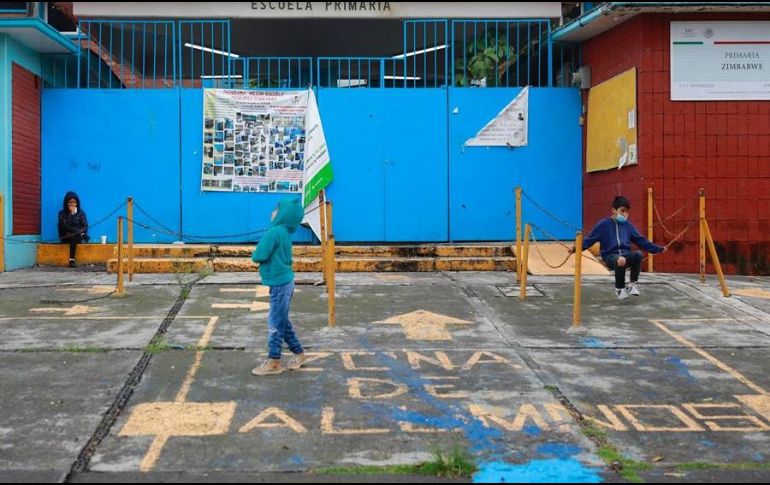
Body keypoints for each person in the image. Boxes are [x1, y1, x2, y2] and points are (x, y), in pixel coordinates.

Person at [569, 196, 666, 300]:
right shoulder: (603, 224)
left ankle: (632, 284)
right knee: (621, 260)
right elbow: (590, 239)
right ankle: (619, 288)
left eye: (627, 212)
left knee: (637, 254)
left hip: (625, 254)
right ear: (613, 210)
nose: (625, 214)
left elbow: (641, 240)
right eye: (622, 211)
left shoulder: (628, 225)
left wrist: (658, 249)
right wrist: (576, 249)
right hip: (610, 256)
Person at [251, 198, 307, 376]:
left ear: (284, 214)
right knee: (282, 320)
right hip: (285, 283)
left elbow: (259, 255)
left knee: (275, 322)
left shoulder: (273, 232)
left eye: (276, 209)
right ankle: (299, 353)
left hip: (279, 284)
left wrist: (257, 250)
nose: (272, 212)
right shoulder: (283, 232)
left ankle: (274, 360)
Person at [58, 192, 89, 268]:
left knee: (74, 235)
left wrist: (79, 231)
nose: (72, 204)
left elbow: (85, 226)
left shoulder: (81, 212)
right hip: (65, 236)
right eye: (70, 202)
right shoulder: (61, 213)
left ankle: (72, 259)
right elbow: (64, 227)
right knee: (70, 233)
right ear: (66, 203)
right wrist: (72, 215)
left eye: (74, 202)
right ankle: (72, 259)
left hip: (76, 237)